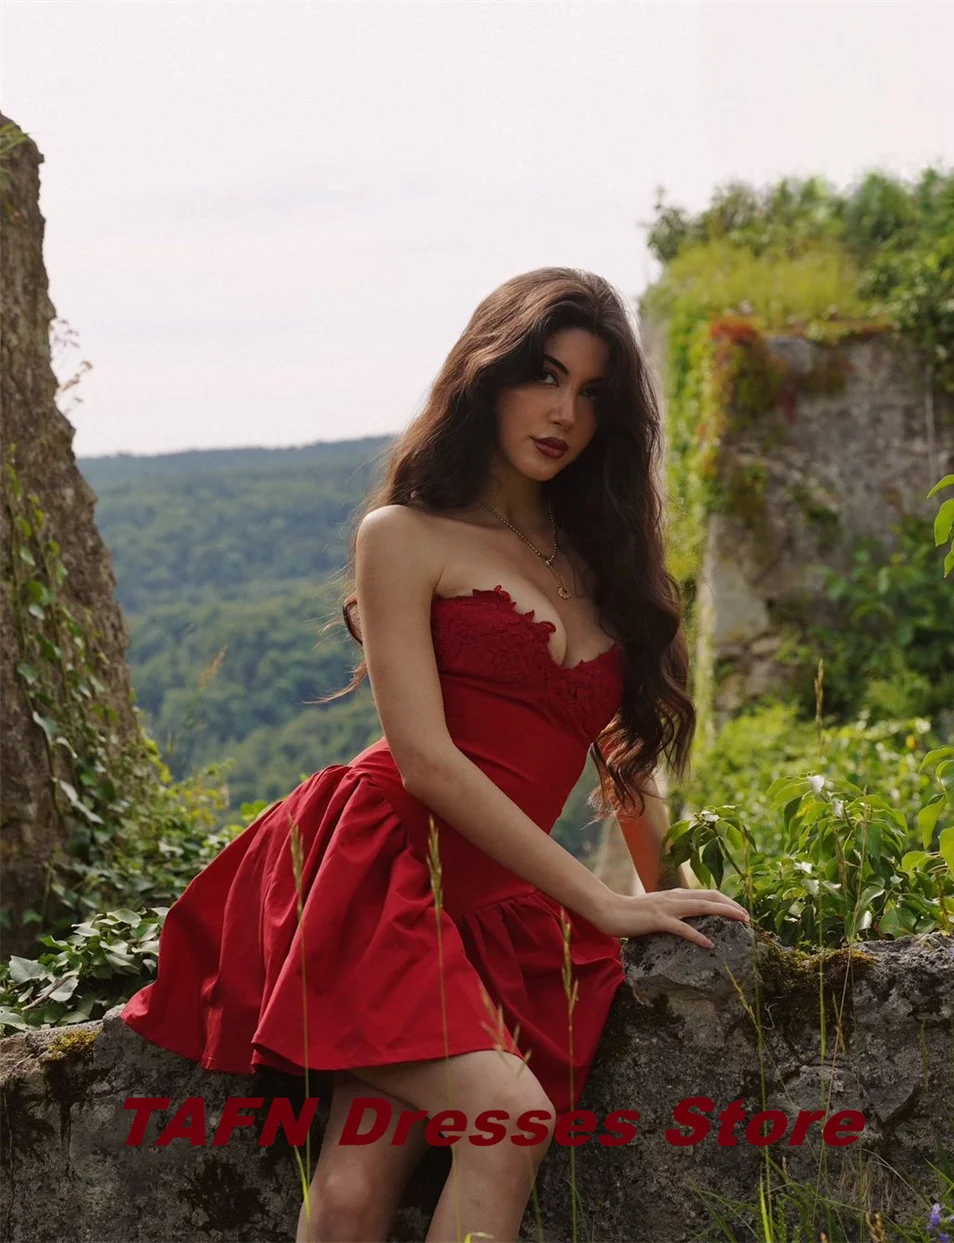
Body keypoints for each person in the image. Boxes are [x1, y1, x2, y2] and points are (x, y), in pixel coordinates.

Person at [121, 267, 751, 1243]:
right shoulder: (403, 535)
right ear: (487, 375)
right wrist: (601, 899)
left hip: (496, 895)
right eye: (542, 375)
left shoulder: (599, 560)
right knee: (508, 1120)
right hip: (387, 861)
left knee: (353, 1187)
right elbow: (427, 762)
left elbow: (623, 760)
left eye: (592, 393)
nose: (563, 412)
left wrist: (664, 884)